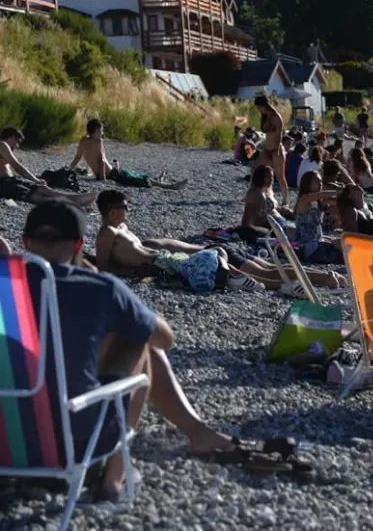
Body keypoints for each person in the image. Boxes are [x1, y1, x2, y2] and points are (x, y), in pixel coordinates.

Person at [18, 202, 236, 501]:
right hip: (73, 447)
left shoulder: (7, 291)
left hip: (9, 441)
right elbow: (164, 339)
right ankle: (113, 481)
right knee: (138, 342)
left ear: (25, 242)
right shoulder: (99, 288)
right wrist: (112, 295)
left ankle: (199, 433)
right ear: (80, 244)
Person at [95, 190, 342, 294]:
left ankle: (323, 277)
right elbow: (104, 266)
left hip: (211, 250)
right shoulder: (108, 233)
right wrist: (137, 271)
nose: (128, 210)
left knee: (265, 270)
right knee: (264, 272)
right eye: (125, 207)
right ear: (113, 210)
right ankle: (322, 278)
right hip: (204, 254)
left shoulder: (121, 229)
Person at [68, 119, 189, 190]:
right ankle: (171, 186)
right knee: (141, 180)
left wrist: (68, 171)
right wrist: (103, 180)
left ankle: (158, 179)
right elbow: (101, 161)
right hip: (113, 175)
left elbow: (77, 158)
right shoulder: (98, 142)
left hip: (109, 173)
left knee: (137, 176)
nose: (102, 133)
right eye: (100, 130)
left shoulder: (83, 141)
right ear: (94, 131)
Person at [0, 127, 98, 207]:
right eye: (17, 141)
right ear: (11, 137)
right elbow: (18, 167)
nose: (17, 146)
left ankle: (76, 198)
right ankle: (71, 203)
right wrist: (35, 179)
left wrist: (36, 180)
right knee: (34, 195)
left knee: (42, 189)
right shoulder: (2, 145)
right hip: (4, 183)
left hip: (9, 181)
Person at [294, 171, 345, 265]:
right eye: (317, 182)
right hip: (307, 247)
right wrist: (338, 191)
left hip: (316, 242)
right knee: (343, 252)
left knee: (343, 243)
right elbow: (321, 194)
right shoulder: (303, 199)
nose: (321, 184)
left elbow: (337, 201)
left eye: (321, 181)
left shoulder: (318, 201)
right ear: (308, 184)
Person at [254, 95, 289, 205]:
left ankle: (284, 200)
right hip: (267, 149)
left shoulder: (275, 116)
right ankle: (253, 193)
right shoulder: (265, 117)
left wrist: (277, 149)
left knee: (280, 176)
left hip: (276, 150)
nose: (258, 110)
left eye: (259, 107)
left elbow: (279, 133)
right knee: (255, 170)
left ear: (264, 105)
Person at [242, 165, 295, 237]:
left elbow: (268, 209)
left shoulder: (266, 191)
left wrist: (282, 209)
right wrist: (243, 230)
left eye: (272, 177)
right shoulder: (255, 193)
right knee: (298, 233)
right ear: (260, 177)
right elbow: (248, 214)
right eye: (268, 177)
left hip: (279, 222)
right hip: (271, 226)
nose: (271, 179)